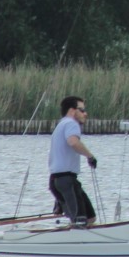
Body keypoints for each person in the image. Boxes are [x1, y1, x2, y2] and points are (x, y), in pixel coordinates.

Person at [48, 96, 97, 225]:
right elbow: (73, 142)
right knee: (80, 221)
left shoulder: (61, 124)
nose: (85, 114)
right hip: (66, 180)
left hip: (58, 181)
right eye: (82, 110)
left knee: (90, 218)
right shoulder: (71, 123)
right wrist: (90, 156)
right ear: (72, 110)